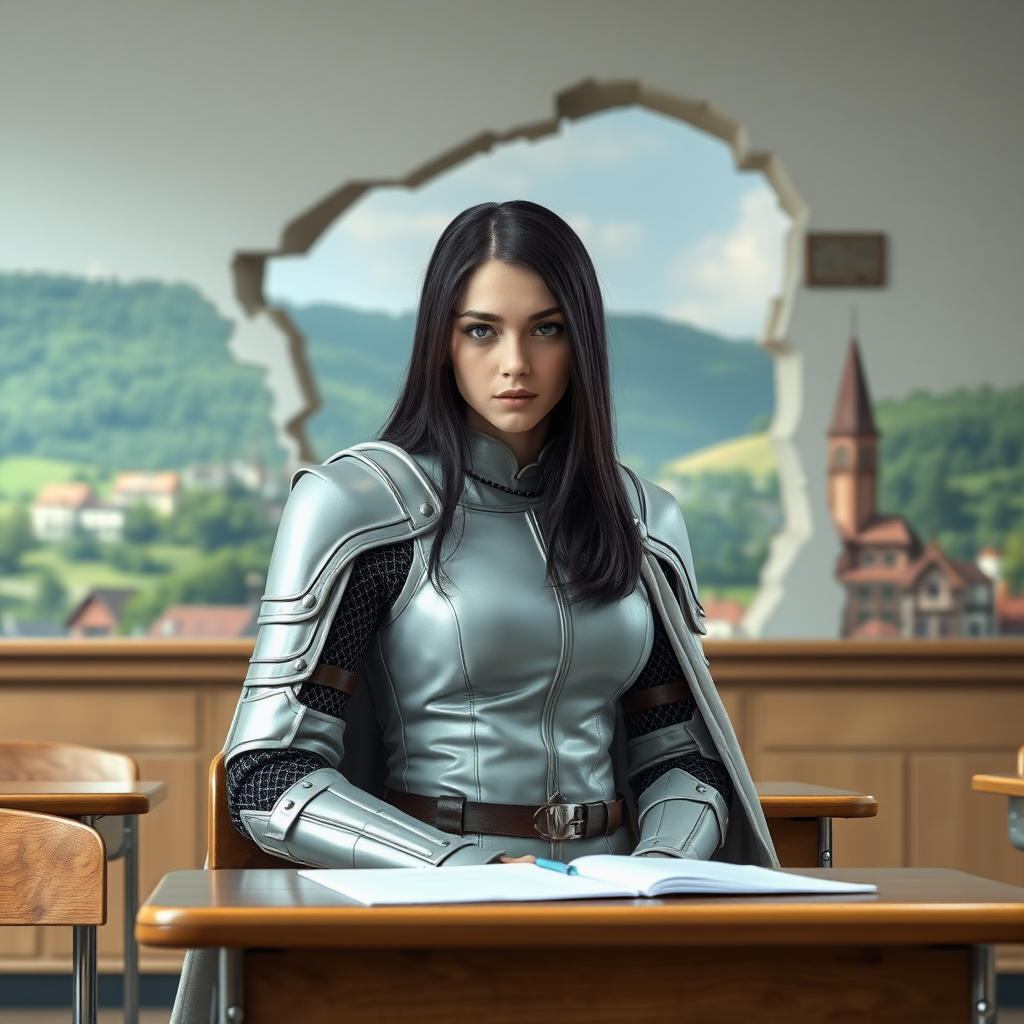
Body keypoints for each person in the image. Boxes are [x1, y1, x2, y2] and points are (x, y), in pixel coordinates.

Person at [223, 200, 777, 869]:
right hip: (434, 899)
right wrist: (468, 871)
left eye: (546, 329)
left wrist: (656, 869)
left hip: (621, 901)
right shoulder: (360, 505)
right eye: (482, 331)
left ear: (582, 342)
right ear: (442, 341)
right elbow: (269, 776)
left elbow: (681, 753)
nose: (516, 363)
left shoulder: (642, 517)